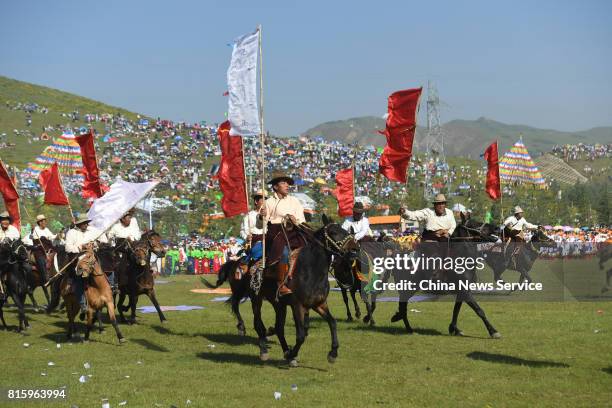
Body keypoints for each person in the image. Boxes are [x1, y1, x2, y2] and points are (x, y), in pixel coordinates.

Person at [259, 172, 306, 296]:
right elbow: (262, 225)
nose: (287, 186)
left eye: (288, 183)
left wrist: (295, 220)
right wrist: (262, 216)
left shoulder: (294, 201)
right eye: (283, 183)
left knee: (308, 248)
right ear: (275, 187)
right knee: (284, 252)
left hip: (293, 230)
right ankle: (281, 284)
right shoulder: (268, 202)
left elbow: (302, 219)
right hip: (276, 232)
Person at [65, 214, 108, 316]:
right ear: (78, 224)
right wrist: (82, 247)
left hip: (93, 258)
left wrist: (97, 243)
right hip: (79, 259)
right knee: (81, 277)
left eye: (86, 223)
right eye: (83, 223)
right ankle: (82, 303)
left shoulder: (93, 231)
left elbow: (104, 240)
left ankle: (110, 290)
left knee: (107, 267)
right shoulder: (71, 232)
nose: (85, 225)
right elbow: (68, 248)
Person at [31, 214, 57, 283]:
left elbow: (52, 236)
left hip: (49, 249)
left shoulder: (47, 229)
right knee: (41, 260)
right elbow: (34, 238)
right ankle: (45, 277)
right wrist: (43, 238)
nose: (44, 222)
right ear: (39, 223)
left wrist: (58, 235)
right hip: (39, 250)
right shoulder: (35, 230)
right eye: (42, 221)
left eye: (45, 221)